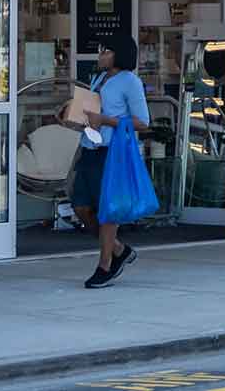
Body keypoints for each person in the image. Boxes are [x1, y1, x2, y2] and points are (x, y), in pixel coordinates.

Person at [71, 38, 147, 288]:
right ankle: (118, 249)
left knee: (108, 211)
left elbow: (142, 122)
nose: (100, 55)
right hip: (89, 148)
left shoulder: (130, 82)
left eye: (106, 51)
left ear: (119, 54)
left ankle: (105, 266)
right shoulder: (98, 79)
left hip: (112, 152)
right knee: (81, 206)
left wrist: (105, 120)